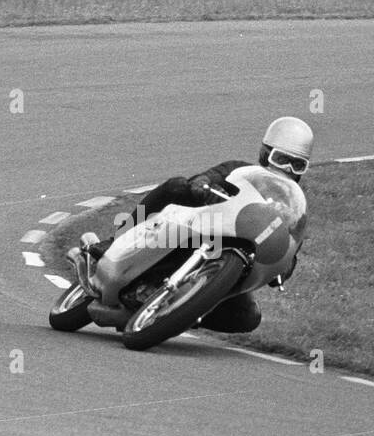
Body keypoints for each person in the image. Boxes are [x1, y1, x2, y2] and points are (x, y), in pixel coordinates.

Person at [68, 116, 314, 334]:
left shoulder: (292, 207)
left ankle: (176, 313)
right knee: (176, 186)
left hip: (233, 267)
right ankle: (114, 243)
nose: (288, 169)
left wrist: (284, 266)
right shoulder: (239, 170)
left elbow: (290, 253)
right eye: (281, 159)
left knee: (248, 318)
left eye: (297, 164)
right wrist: (203, 186)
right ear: (265, 154)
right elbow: (208, 177)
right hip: (192, 234)